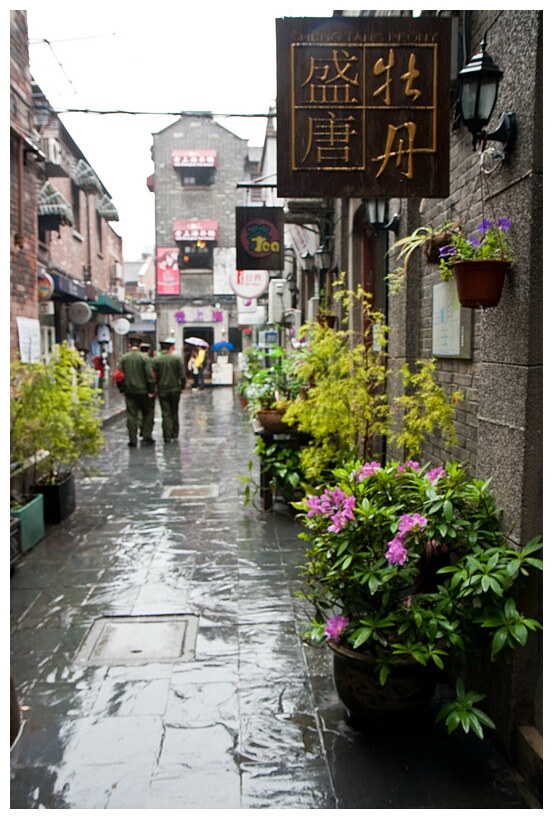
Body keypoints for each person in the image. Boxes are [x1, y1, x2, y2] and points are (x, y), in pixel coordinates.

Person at [115, 336, 156, 447]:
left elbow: (118, 375)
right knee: (147, 413)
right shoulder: (144, 358)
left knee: (131, 415)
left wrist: (121, 389)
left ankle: (132, 439)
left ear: (129, 346)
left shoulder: (123, 358)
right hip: (143, 392)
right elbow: (149, 375)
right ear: (139, 346)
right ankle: (146, 436)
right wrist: (151, 390)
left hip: (129, 391)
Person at [153, 338, 186, 443]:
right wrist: (182, 387)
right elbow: (182, 375)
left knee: (166, 412)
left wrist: (154, 388)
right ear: (170, 347)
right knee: (174, 411)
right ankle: (174, 433)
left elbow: (153, 376)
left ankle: (167, 436)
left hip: (162, 389)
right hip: (175, 389)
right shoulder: (176, 359)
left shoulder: (156, 360)